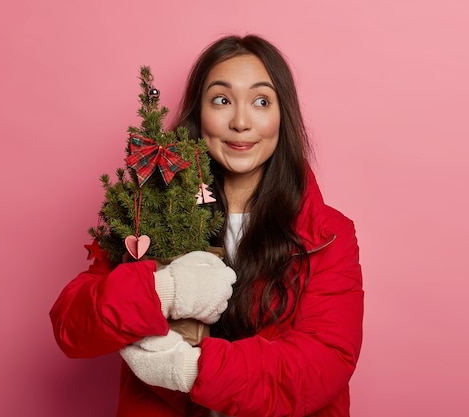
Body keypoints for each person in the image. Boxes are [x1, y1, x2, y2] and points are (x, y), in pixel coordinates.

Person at [50, 34, 364, 417]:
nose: (241, 122)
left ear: (283, 116)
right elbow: (72, 327)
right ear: (199, 113)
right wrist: (163, 289)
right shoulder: (147, 214)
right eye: (222, 100)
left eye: (261, 101)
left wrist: (191, 370)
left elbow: (322, 364)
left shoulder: (329, 235)